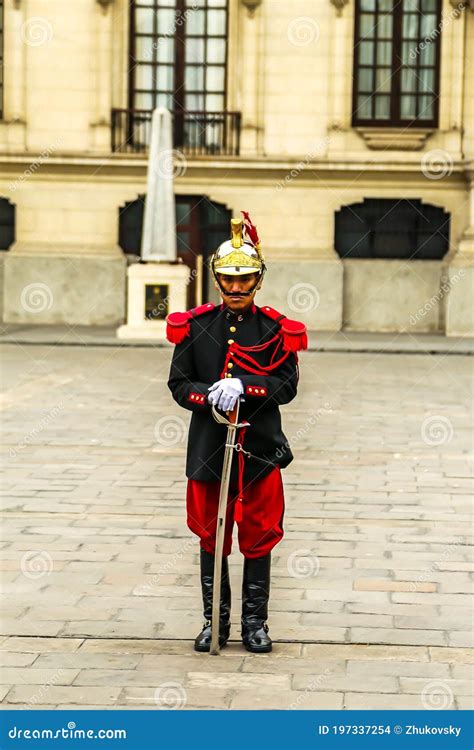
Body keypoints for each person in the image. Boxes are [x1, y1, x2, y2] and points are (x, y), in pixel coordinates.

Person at [166, 212, 307, 653]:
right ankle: (215, 623)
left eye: (245, 279)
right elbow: (178, 383)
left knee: (259, 535)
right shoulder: (197, 326)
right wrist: (208, 395)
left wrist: (246, 387)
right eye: (228, 279)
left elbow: (287, 385)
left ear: (258, 280)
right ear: (217, 280)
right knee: (212, 535)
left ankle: (254, 624)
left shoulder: (275, 329)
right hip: (210, 449)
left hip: (260, 449)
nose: (236, 287)